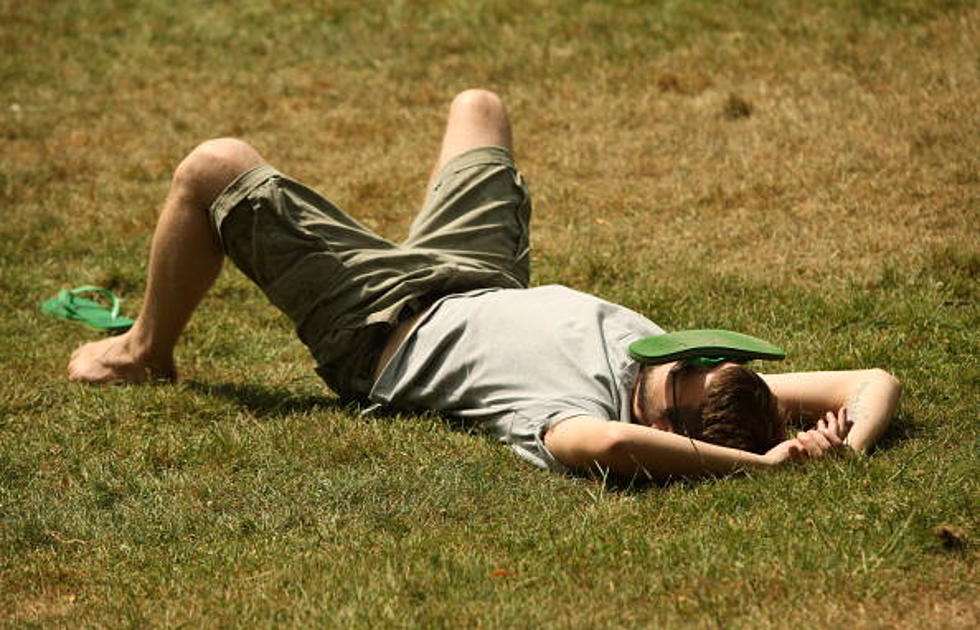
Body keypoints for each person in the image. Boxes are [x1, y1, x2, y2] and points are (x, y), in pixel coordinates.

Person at [67, 89, 901, 479]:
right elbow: (872, 380)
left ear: (667, 422)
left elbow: (610, 449)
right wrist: (840, 444)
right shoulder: (673, 374)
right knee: (480, 107)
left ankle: (145, 351)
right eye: (691, 362)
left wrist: (757, 469)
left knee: (214, 168)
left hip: (384, 322)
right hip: (476, 277)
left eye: (675, 380)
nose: (669, 362)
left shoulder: (583, 418)